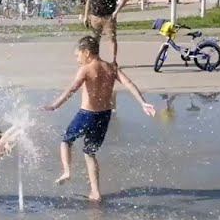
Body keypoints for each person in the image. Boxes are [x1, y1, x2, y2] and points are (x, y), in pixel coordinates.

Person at [42, 36, 155, 202]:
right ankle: (95, 192)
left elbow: (72, 89)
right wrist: (143, 103)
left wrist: (55, 105)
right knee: (90, 152)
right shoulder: (111, 68)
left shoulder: (86, 69)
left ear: (87, 53)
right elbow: (129, 84)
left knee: (66, 140)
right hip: (104, 116)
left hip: (86, 114)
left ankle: (67, 171)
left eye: (78, 55)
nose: (77, 59)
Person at [82, 0, 129, 64]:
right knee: (94, 40)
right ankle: (96, 60)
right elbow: (89, 1)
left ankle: (113, 61)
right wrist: (86, 16)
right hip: (95, 17)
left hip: (108, 17)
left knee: (111, 39)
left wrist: (116, 11)